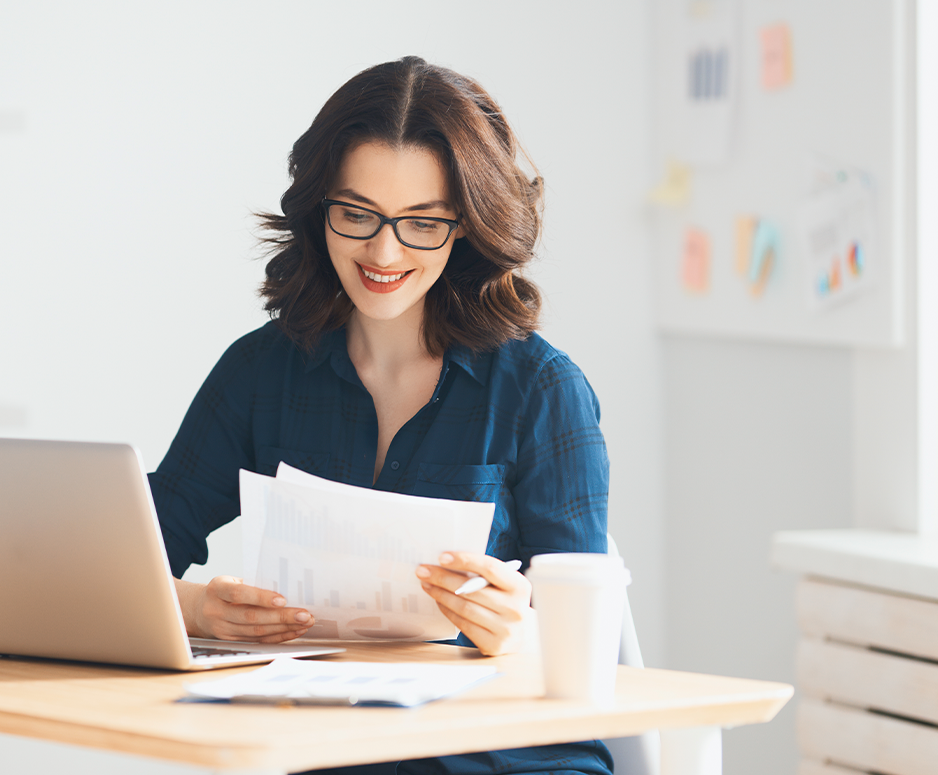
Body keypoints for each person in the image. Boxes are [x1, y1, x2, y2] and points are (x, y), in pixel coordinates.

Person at [147, 56, 612, 775]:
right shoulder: (260, 371)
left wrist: (516, 627)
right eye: (357, 213)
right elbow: (130, 558)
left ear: (466, 227)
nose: (384, 251)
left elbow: (587, 638)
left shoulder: (540, 389)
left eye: (422, 222)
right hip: (323, 752)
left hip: (506, 758)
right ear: (318, 207)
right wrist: (198, 609)